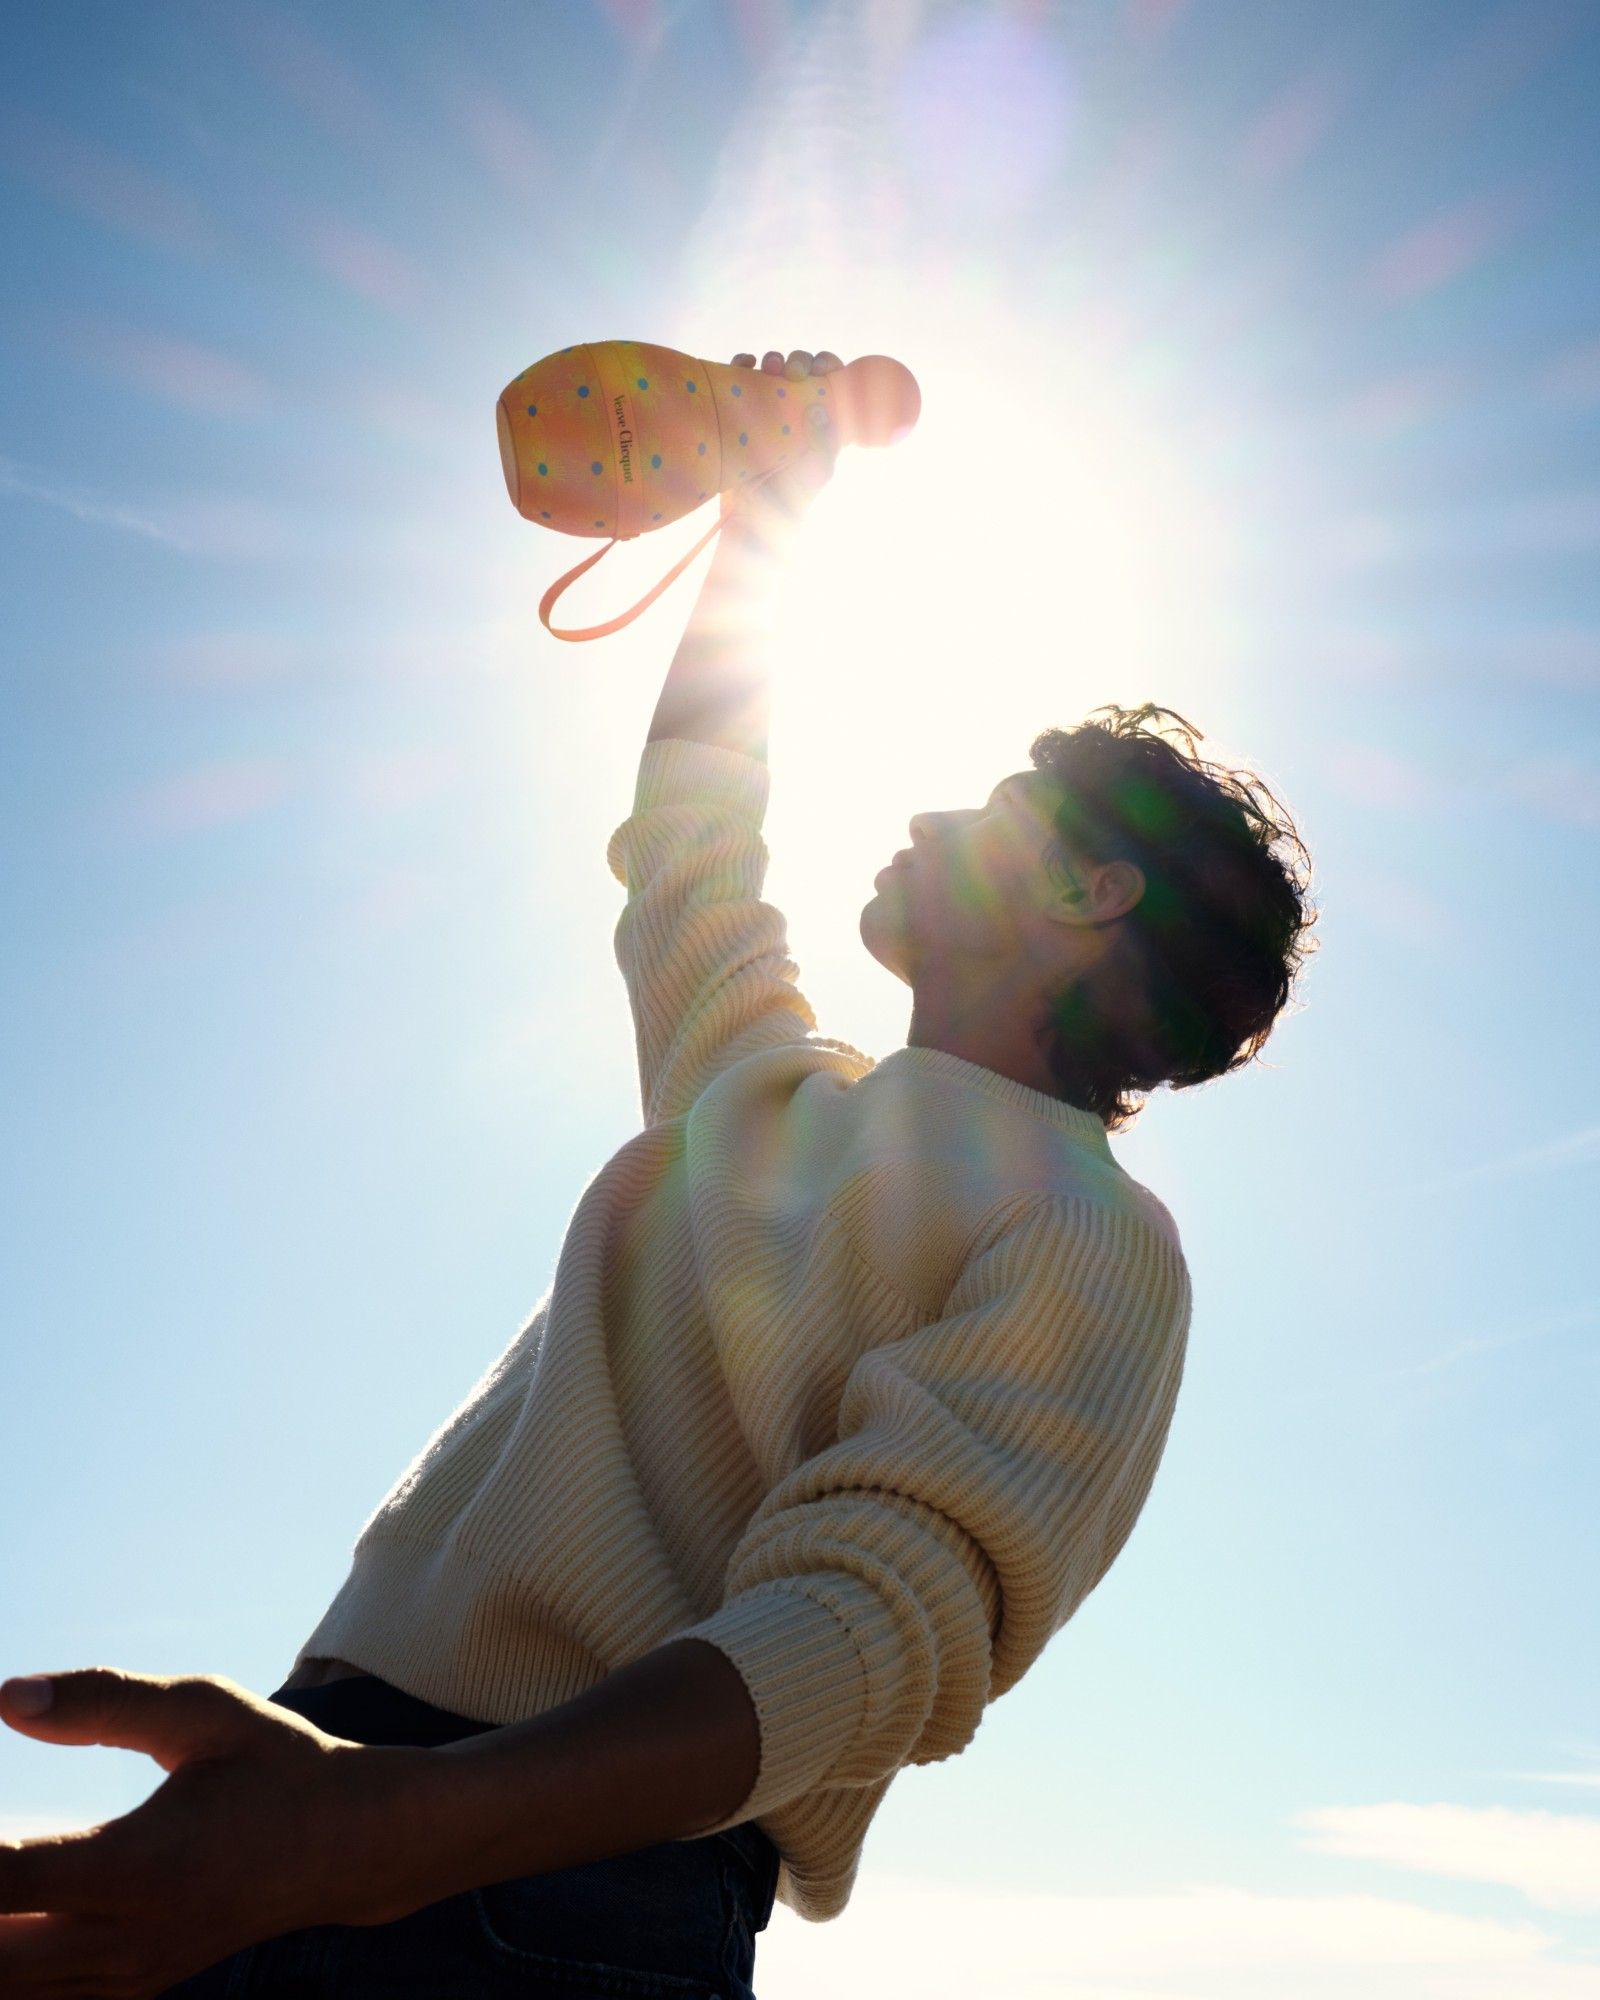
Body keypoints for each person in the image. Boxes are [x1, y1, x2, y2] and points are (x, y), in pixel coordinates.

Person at [0, 346, 1314, 2000]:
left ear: (1096, 895)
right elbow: (688, 843)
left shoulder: (1092, 1234)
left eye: (998, 803)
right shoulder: (762, 1089)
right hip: (334, 1781)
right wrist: (767, 510)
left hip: (553, 1885)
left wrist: (401, 1830)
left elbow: (865, 1632)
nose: (924, 808)